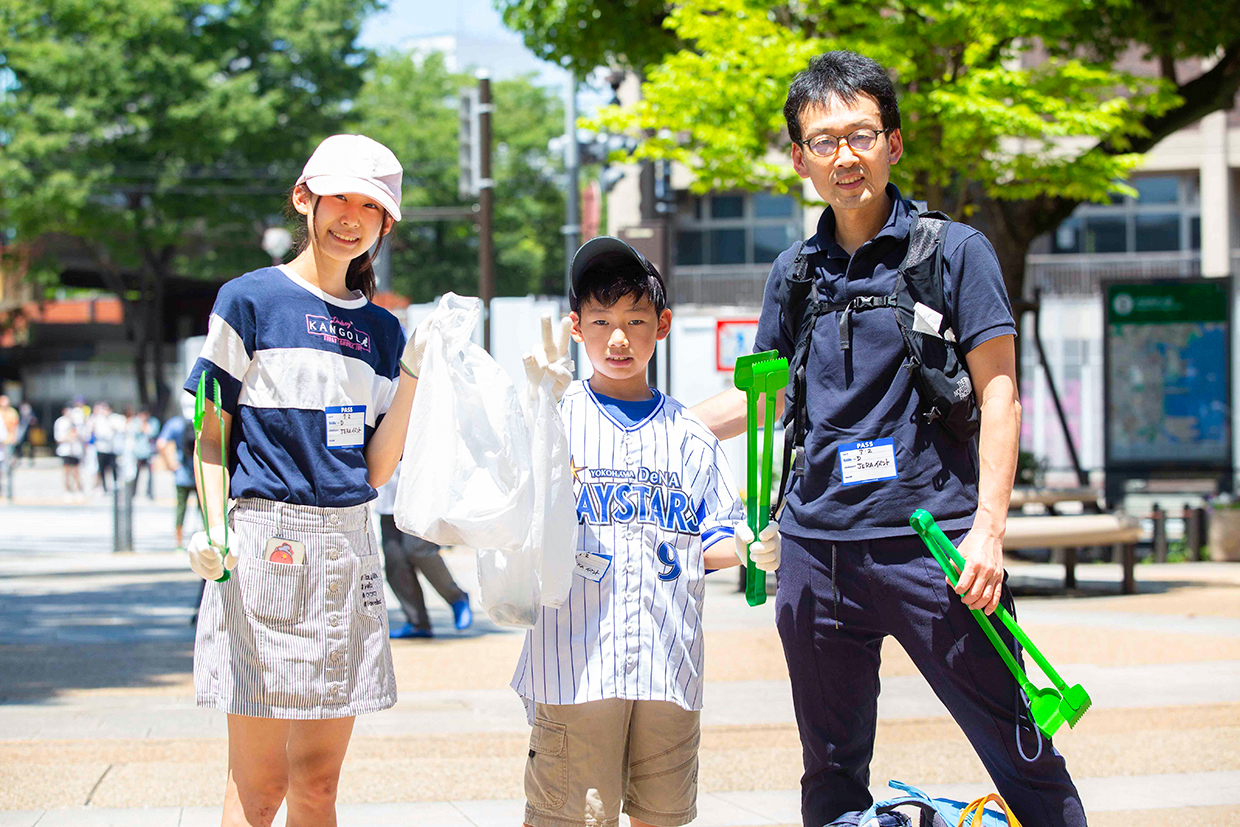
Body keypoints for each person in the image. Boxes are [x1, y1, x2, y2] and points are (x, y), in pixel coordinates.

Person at [691, 51, 1085, 827]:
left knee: (1022, 748)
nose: (845, 155)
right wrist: (622, 425)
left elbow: (1000, 393)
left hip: (933, 548)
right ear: (800, 157)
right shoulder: (794, 274)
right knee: (829, 773)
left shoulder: (953, 253)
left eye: (861, 134)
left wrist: (989, 533)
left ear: (893, 144)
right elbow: (763, 402)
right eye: (824, 140)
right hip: (815, 554)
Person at [183, 133, 443, 825]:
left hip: (349, 552)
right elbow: (211, 437)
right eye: (339, 198)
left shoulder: (385, 332)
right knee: (258, 789)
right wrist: (209, 528)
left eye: (371, 205)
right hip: (265, 547)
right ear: (305, 198)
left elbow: (376, 468)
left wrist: (415, 369)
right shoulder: (248, 300)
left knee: (320, 786)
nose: (351, 217)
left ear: (386, 224)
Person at [512, 237, 782, 827]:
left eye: (634, 320)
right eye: (601, 320)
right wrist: (535, 414)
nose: (617, 338)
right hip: (576, 667)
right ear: (575, 327)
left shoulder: (690, 434)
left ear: (660, 326)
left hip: (670, 667)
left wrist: (745, 547)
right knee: (573, 819)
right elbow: (510, 522)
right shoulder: (554, 417)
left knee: (665, 818)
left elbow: (708, 540)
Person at [374, 465, 473, 638]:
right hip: (387, 500)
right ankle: (417, 622)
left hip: (419, 498)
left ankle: (456, 596)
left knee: (418, 549)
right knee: (394, 560)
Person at [156, 397, 199, 551]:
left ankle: (179, 543)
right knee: (204, 512)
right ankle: (208, 542)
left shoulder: (175, 423)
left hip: (181, 473)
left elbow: (160, 443)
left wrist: (171, 465)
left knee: (181, 509)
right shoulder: (204, 421)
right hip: (201, 473)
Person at [124, 408, 160, 499]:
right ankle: (133, 492)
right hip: (138, 452)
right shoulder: (136, 422)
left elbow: (153, 433)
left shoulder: (153, 422)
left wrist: (146, 427)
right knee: (136, 474)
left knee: (150, 475)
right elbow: (134, 432)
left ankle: (150, 493)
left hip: (150, 452)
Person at [88, 401, 122, 493]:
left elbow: (119, 429)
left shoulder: (115, 418)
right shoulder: (97, 419)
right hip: (101, 448)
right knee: (101, 468)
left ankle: (115, 484)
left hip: (112, 448)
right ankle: (103, 487)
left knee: (114, 467)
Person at [53, 405, 85, 500]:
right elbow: (58, 438)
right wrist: (68, 437)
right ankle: (67, 490)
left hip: (76, 450)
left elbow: (84, 435)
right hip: (65, 450)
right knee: (66, 472)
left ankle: (78, 490)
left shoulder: (78, 422)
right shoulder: (60, 422)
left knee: (76, 472)